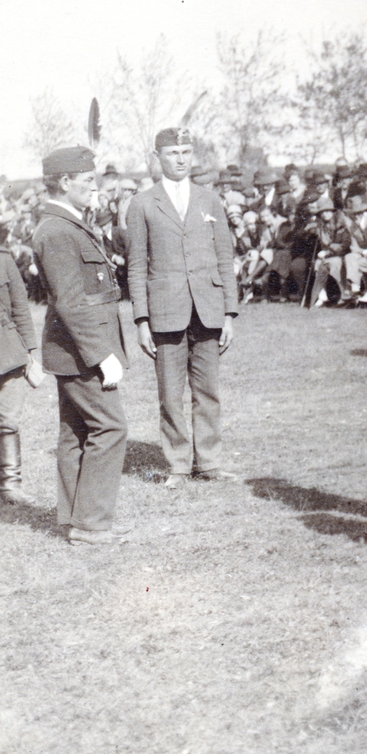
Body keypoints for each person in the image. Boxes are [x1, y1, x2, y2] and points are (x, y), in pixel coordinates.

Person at [124, 127, 240, 486]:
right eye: (173, 153)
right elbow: (137, 265)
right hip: (165, 312)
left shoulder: (210, 200)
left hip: (207, 308)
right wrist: (142, 320)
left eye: (186, 152)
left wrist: (229, 313)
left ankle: (209, 463)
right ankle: (177, 464)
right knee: (171, 394)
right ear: (158, 156)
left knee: (208, 391)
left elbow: (225, 257)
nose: (181, 159)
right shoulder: (142, 203)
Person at [34, 146, 131, 545]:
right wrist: (102, 355)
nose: (95, 186)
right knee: (110, 427)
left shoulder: (68, 224)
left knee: (75, 433)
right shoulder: (57, 230)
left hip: (75, 348)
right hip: (81, 350)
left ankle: (74, 519)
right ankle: (90, 524)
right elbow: (71, 302)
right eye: (88, 180)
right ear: (64, 182)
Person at [0, 222, 43, 503]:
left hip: (7, 352)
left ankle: (10, 485)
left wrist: (29, 352)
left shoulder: (4, 259)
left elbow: (20, 309)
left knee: (8, 420)